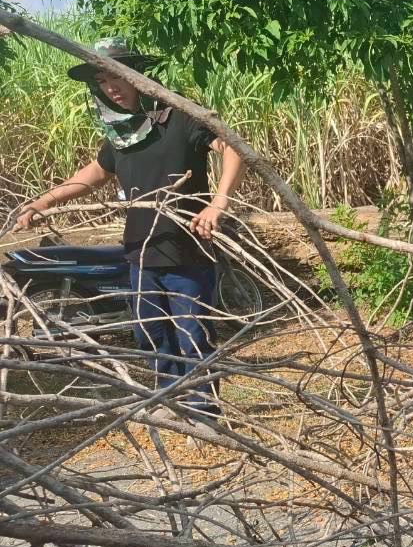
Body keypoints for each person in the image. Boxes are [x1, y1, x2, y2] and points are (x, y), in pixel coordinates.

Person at [15, 37, 245, 422]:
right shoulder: (122, 132)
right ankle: (170, 401)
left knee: (193, 334)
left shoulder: (181, 116)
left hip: (188, 250)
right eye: (102, 82)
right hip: (140, 252)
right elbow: (94, 173)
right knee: (152, 335)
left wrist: (218, 203)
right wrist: (44, 202)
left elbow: (235, 147)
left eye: (116, 77)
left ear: (137, 76)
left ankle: (203, 411)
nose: (111, 88)